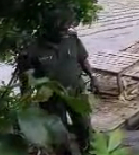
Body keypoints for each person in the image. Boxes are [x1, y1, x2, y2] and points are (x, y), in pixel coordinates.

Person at [17, 15, 94, 155]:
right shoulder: (33, 49)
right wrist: (25, 98)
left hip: (75, 91)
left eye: (66, 29)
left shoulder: (71, 40)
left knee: (84, 124)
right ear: (48, 30)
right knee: (58, 132)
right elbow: (25, 77)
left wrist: (92, 77)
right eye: (60, 30)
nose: (64, 32)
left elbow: (83, 60)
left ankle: (88, 149)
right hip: (51, 97)